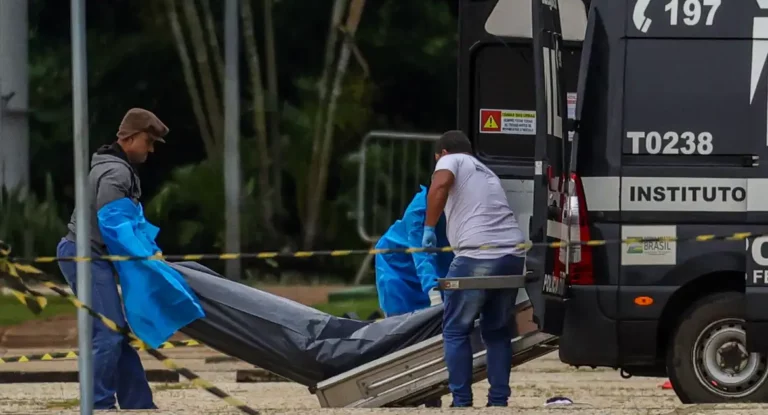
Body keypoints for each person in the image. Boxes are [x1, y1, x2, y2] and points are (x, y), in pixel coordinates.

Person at [55, 108, 168, 410]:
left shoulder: (116, 168)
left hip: (88, 253)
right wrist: (145, 257)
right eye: (148, 141)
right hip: (84, 254)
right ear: (129, 138)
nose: (151, 149)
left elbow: (129, 224)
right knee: (107, 333)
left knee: (115, 331)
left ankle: (138, 404)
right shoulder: (116, 172)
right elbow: (114, 224)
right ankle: (98, 405)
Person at [423, 130, 526, 408]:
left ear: (442, 153)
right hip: (513, 256)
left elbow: (440, 185)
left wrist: (429, 227)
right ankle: (498, 402)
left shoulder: (450, 160)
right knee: (496, 332)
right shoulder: (486, 171)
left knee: (456, 330)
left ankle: (462, 402)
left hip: (477, 256)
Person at [374, 184, 454, 408]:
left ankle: (430, 391)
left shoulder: (461, 201)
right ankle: (401, 392)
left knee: (435, 336)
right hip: (397, 271)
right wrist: (433, 289)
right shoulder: (419, 208)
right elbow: (420, 252)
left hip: (437, 270)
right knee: (403, 333)